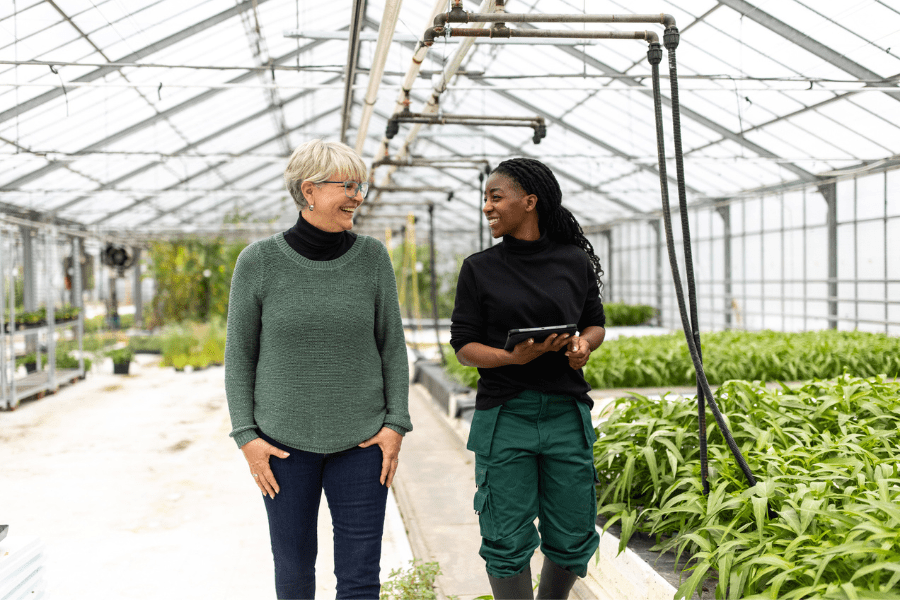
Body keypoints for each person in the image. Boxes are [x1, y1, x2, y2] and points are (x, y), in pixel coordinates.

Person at [225, 139, 412, 600]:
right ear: (309, 191)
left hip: (365, 442)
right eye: (347, 185)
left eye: (360, 185)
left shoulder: (372, 258)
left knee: (361, 575)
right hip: (282, 446)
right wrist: (247, 436)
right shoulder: (259, 262)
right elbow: (238, 357)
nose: (358, 196)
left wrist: (395, 425)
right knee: (292, 570)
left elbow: (392, 346)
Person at [450, 158, 606, 600]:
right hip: (505, 415)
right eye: (486, 198)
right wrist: (510, 357)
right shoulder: (479, 268)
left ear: (530, 201)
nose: (487, 207)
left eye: (495, 197)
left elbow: (594, 322)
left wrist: (583, 347)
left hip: (565, 413)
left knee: (574, 532)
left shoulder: (572, 260)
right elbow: (463, 345)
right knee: (504, 535)